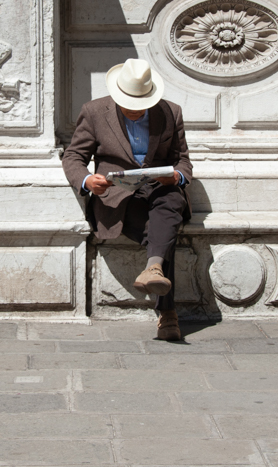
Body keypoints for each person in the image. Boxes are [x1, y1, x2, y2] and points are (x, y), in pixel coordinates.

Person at [63, 58, 193, 340]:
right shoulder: (95, 111)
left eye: (140, 107)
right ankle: (166, 308)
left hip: (160, 190)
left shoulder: (171, 112)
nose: (134, 111)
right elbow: (74, 156)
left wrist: (177, 177)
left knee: (171, 201)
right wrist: (87, 180)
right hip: (118, 197)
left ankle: (155, 275)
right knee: (162, 232)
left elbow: (183, 161)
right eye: (128, 106)